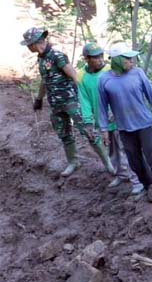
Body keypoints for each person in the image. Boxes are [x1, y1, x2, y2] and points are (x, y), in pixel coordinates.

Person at [22, 27, 114, 177]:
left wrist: (84, 100)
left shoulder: (57, 56)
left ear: (34, 43)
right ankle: (73, 162)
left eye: (28, 44)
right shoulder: (41, 58)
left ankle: (107, 163)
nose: (28, 47)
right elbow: (45, 81)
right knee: (64, 134)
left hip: (71, 101)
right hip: (55, 104)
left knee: (88, 132)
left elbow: (75, 77)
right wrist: (39, 99)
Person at [97, 42, 152, 211]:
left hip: (144, 124)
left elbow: (151, 96)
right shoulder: (104, 80)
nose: (132, 62)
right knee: (135, 162)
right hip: (124, 128)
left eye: (132, 59)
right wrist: (103, 129)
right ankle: (149, 186)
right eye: (128, 59)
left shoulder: (138, 74)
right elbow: (102, 107)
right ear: (117, 60)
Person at [77, 42, 142, 195]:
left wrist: (117, 109)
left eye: (101, 56)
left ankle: (137, 180)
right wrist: (88, 121)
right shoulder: (81, 76)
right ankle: (121, 175)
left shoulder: (110, 70)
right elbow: (84, 100)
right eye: (95, 57)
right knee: (112, 149)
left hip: (119, 116)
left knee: (126, 148)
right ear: (86, 59)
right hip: (102, 119)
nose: (100, 60)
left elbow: (122, 90)